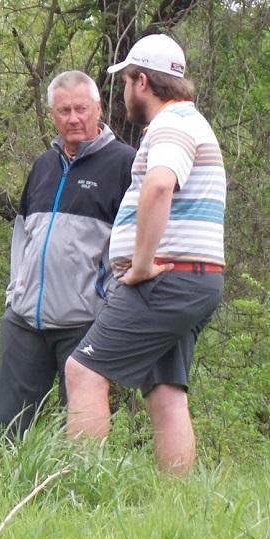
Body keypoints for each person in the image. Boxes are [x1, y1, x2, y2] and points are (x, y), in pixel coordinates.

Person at [65, 35, 226, 475]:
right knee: (164, 390)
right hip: (197, 279)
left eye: (126, 82)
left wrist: (138, 264)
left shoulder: (172, 125)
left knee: (83, 370)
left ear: (141, 81)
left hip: (166, 280)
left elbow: (158, 186)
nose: (124, 93)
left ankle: (83, 491)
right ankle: (175, 504)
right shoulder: (192, 122)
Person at [0, 70, 136, 439]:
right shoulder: (43, 165)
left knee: (75, 429)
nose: (73, 118)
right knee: (6, 428)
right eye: (64, 110)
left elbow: (134, 242)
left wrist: (109, 305)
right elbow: (22, 235)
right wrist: (15, 292)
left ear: (99, 108)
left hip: (84, 321)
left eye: (81, 109)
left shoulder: (126, 164)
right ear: (53, 115)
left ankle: (76, 493)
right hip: (24, 320)